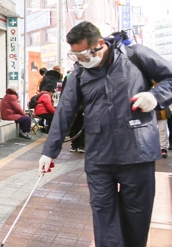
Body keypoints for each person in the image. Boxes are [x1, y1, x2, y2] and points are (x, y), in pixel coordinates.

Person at [38, 21, 172, 247]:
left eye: (83, 53)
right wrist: (49, 152)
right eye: (75, 55)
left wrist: (155, 96)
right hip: (99, 156)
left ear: (100, 44)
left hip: (137, 152)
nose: (80, 59)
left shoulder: (135, 56)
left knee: (137, 215)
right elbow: (65, 112)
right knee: (103, 213)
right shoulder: (80, 73)